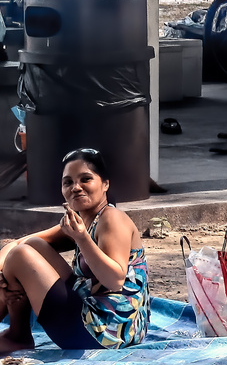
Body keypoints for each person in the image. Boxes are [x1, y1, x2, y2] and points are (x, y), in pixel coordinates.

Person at [0, 149, 150, 353]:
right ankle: (17, 334)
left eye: (85, 179)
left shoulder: (112, 218)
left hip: (106, 332)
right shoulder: (81, 220)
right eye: (68, 182)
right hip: (87, 314)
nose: (76, 188)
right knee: (31, 247)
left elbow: (114, 280)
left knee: (20, 257)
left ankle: (18, 335)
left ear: (105, 184)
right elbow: (23, 243)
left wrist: (82, 238)